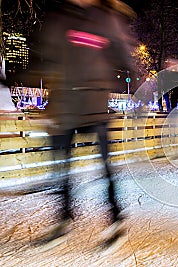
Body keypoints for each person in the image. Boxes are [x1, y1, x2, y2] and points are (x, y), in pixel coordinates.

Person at [39, 0, 135, 250]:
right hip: (65, 105)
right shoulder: (59, 18)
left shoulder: (105, 19)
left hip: (94, 105)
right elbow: (46, 59)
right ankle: (63, 217)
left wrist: (125, 84)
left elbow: (124, 58)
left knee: (104, 167)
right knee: (60, 166)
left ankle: (115, 219)